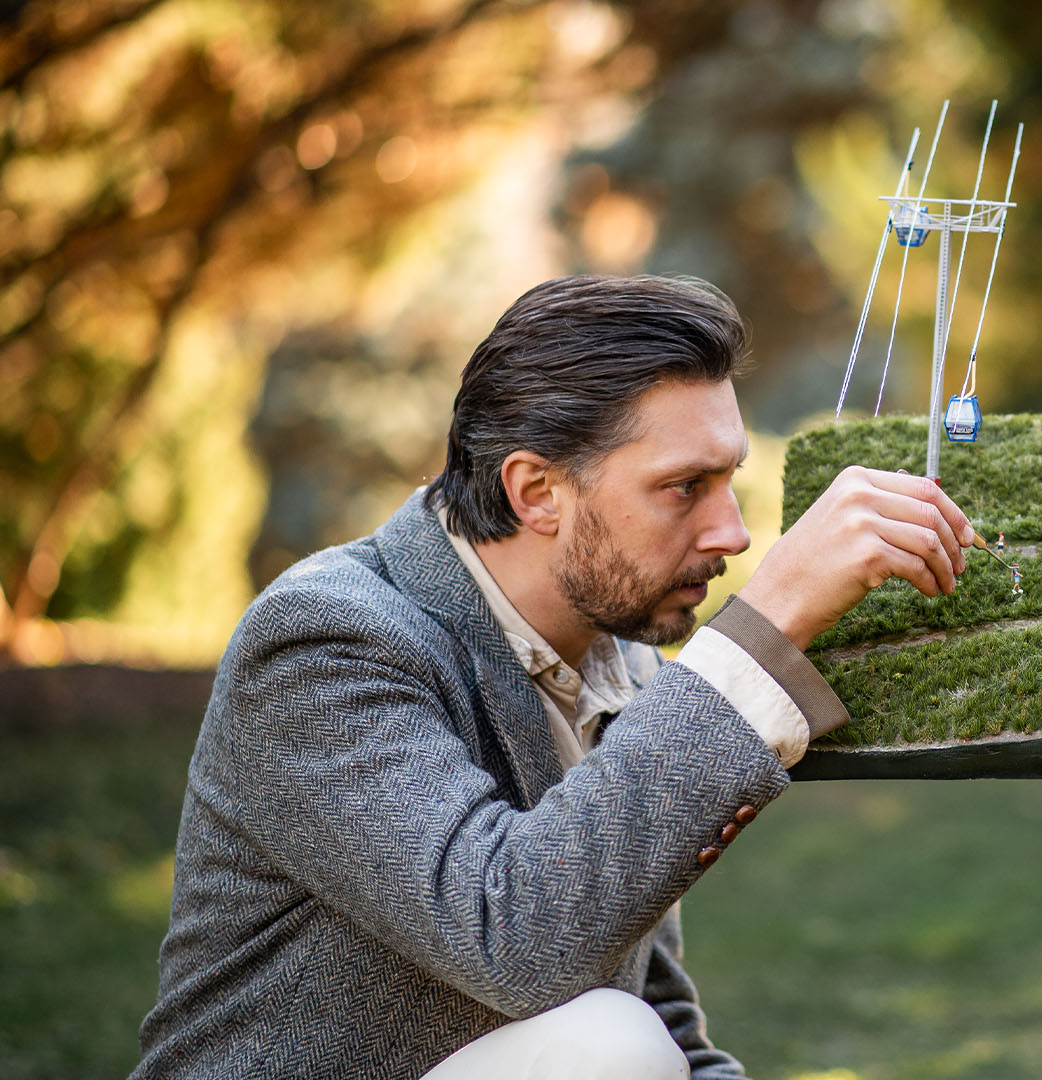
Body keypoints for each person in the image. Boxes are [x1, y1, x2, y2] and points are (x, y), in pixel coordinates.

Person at [132, 275, 974, 1080]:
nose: (735, 532)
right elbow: (515, 936)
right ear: (537, 491)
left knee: (625, 1035)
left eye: (729, 481)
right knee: (609, 1048)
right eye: (685, 488)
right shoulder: (326, 644)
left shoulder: (625, 663)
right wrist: (768, 625)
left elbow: (660, 1023)